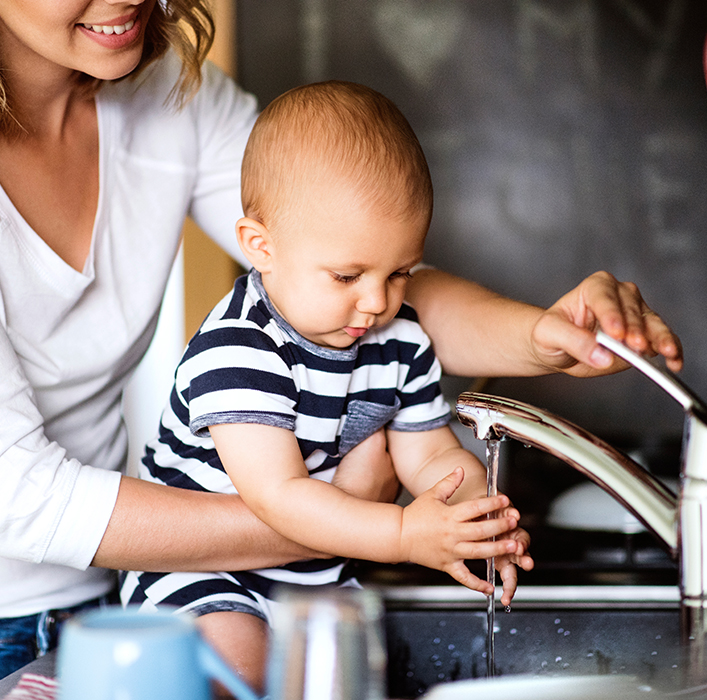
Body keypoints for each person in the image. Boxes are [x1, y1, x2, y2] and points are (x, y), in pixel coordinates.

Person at [0, 1, 682, 698]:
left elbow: (359, 280)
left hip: (102, 611)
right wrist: (368, 524)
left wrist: (545, 336)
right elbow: (18, 497)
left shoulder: (163, 91)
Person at [120, 80, 534, 688]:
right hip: (205, 573)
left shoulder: (399, 335)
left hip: (320, 576)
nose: (375, 301)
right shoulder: (239, 347)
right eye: (347, 276)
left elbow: (430, 453)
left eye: (399, 272)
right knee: (241, 660)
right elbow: (279, 495)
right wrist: (401, 534)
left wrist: (473, 515)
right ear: (261, 247)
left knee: (347, 672)